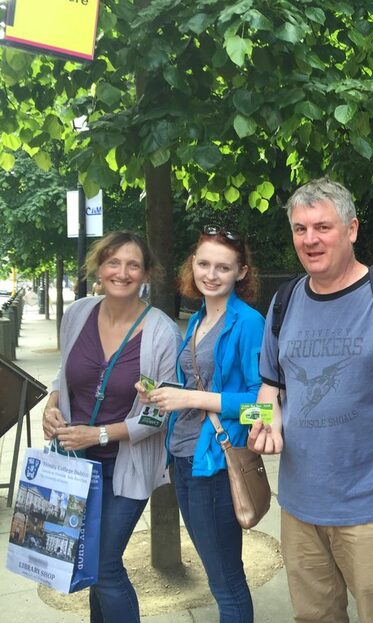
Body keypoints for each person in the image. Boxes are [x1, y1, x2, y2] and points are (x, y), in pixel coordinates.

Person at [248, 177, 373, 623]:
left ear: (352, 229)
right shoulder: (283, 303)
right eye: (300, 229)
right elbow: (269, 386)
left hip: (371, 507)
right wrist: (266, 421)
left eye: (322, 227)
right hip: (299, 505)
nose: (309, 239)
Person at [41, 231, 180, 623]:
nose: (122, 272)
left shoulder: (162, 333)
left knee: (104, 565)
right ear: (98, 268)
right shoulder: (78, 314)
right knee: (88, 566)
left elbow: (160, 414)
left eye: (133, 264)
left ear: (146, 273)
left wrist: (100, 433)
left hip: (125, 468)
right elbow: (65, 372)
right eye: (113, 262)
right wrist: (52, 404)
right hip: (74, 465)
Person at [139, 225, 264, 622]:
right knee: (217, 578)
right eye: (204, 263)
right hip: (183, 457)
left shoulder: (248, 322)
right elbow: (196, 383)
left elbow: (264, 408)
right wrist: (164, 394)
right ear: (192, 264)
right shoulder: (196, 319)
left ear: (241, 273)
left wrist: (191, 398)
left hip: (215, 465)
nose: (211, 274)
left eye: (223, 268)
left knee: (226, 583)